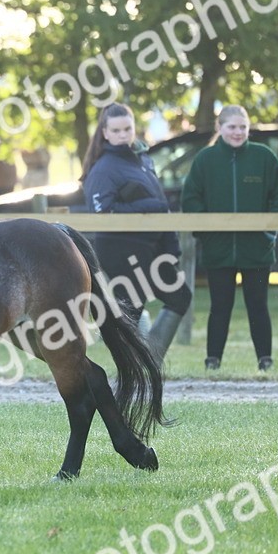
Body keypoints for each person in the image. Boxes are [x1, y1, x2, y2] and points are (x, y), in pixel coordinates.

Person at [181, 105, 278, 371]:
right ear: (220, 128)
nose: (238, 132)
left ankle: (265, 361)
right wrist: (207, 231)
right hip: (218, 249)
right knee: (220, 307)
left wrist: (269, 226)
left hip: (257, 249)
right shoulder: (205, 160)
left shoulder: (263, 157)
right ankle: (213, 361)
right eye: (232, 127)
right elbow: (191, 198)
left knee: (258, 306)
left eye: (242, 127)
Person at [80, 103, 192, 361]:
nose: (123, 134)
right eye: (116, 130)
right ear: (105, 133)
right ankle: (137, 371)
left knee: (179, 296)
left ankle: (147, 363)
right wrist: (149, 206)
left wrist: (169, 245)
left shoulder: (144, 160)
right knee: (131, 312)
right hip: (121, 251)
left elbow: (161, 206)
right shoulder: (103, 168)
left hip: (152, 249)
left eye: (127, 128)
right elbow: (102, 213)